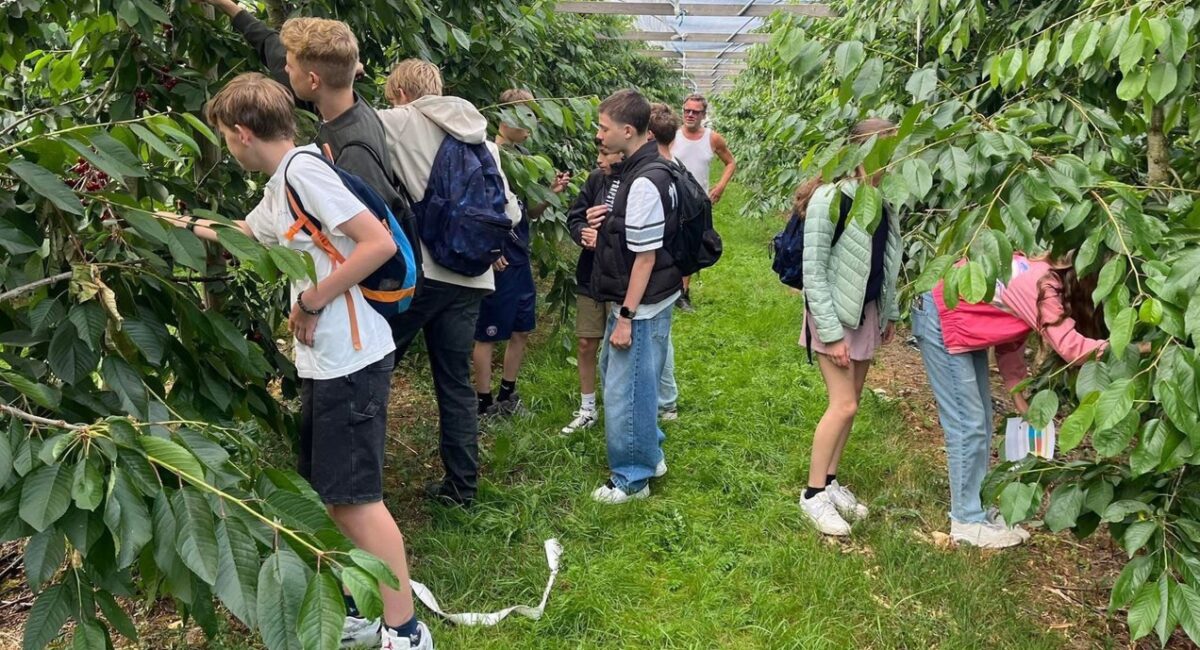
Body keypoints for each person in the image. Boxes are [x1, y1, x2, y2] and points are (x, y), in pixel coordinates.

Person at [155, 73, 432, 650]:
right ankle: (359, 608)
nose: (228, 148)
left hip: (351, 360)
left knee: (357, 502)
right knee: (333, 497)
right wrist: (175, 224)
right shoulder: (284, 181)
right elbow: (247, 234)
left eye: (224, 136)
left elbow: (377, 242)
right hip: (326, 362)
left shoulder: (304, 173)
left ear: (241, 132)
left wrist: (311, 300)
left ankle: (405, 630)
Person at [912, 253, 1138, 548]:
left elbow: (1009, 341)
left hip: (960, 318)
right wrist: (1140, 348)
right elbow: (1073, 349)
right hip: (942, 316)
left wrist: (1020, 399)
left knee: (980, 423)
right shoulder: (1042, 287)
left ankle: (976, 510)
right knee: (968, 425)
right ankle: (966, 521)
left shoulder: (1042, 276)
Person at [376, 60, 523, 508]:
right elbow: (511, 213)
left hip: (423, 274)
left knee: (373, 370)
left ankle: (361, 488)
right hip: (472, 278)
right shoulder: (482, 138)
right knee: (456, 383)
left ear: (401, 93)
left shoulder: (399, 121)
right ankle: (462, 489)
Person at [194, 1, 401, 216]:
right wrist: (227, 5)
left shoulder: (355, 152)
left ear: (313, 80)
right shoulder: (334, 97)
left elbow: (378, 226)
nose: (285, 69)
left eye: (290, 67)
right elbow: (268, 43)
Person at [796, 118, 902, 537]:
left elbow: (887, 261)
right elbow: (814, 270)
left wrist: (888, 313)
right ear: (864, 150)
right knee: (843, 405)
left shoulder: (882, 199)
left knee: (852, 402)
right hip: (835, 317)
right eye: (887, 148)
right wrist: (831, 332)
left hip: (865, 313)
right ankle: (812, 494)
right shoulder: (830, 199)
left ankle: (831, 481)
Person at [589, 89, 682, 504]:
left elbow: (644, 258)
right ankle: (651, 454)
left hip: (639, 306)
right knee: (639, 384)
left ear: (628, 131)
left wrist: (625, 316)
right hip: (655, 298)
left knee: (626, 391)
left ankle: (632, 478)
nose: (599, 135)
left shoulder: (643, 181)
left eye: (603, 127)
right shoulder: (657, 168)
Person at [473, 89, 571, 418]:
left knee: (521, 328)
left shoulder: (523, 159)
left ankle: (507, 395)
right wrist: (490, 248)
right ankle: (483, 403)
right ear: (505, 118)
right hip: (499, 260)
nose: (531, 125)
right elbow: (477, 209)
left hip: (519, 256)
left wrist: (550, 194)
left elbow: (526, 213)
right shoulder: (488, 158)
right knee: (488, 332)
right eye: (525, 117)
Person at [561, 142, 625, 434]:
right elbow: (575, 216)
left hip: (620, 280)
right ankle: (587, 408)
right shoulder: (596, 180)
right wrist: (582, 233)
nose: (599, 160)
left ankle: (620, 408)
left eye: (605, 153)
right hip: (590, 275)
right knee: (587, 343)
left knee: (619, 347)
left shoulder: (638, 182)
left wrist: (607, 241)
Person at [669, 93, 736, 312]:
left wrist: (721, 186)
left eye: (695, 112)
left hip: (698, 202)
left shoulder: (712, 139)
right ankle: (666, 287)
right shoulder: (672, 136)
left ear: (703, 115)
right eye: (687, 110)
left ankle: (682, 293)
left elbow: (730, 162)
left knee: (691, 245)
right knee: (670, 242)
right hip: (673, 197)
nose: (690, 115)